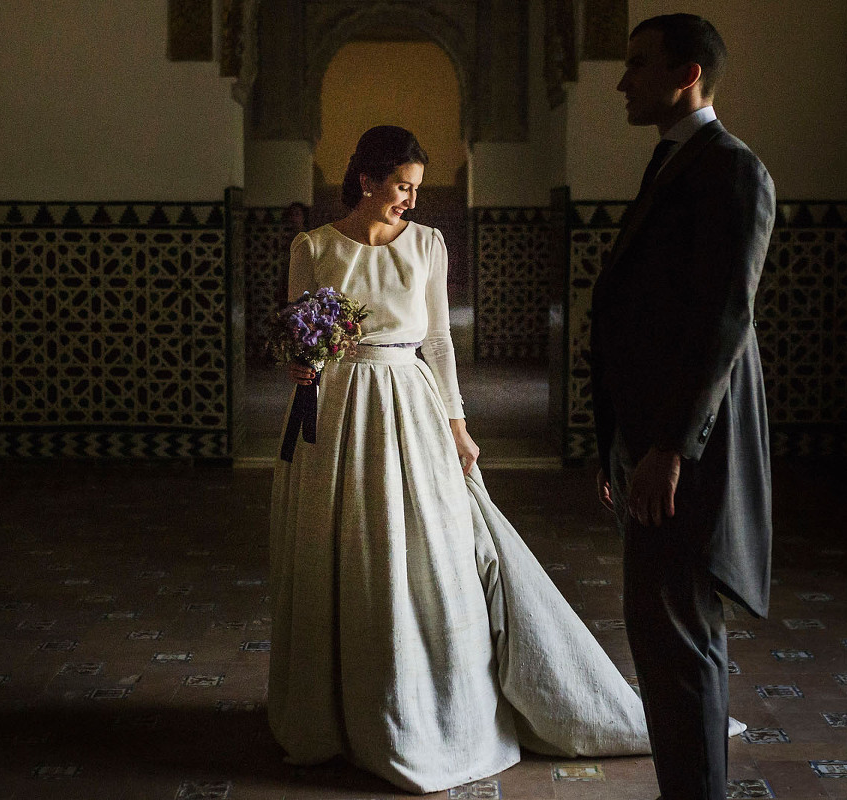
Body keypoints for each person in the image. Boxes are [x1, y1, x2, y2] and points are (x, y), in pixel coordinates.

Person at [268, 125, 653, 793]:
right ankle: (331, 714)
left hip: (410, 406)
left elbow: (440, 342)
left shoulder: (428, 245)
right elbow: (297, 330)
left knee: (424, 548)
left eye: (417, 188)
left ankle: (426, 704)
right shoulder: (313, 246)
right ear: (367, 180)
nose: (411, 200)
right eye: (401, 187)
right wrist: (299, 365)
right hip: (332, 414)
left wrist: (458, 425)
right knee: (338, 546)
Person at [591, 14, 775, 800]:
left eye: (638, 64)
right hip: (657, 444)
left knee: (681, 637)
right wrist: (619, 446)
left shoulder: (730, 169)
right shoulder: (677, 163)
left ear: (687, 73)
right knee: (663, 636)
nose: (623, 80)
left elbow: (722, 321)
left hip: (689, 451)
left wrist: (669, 446)